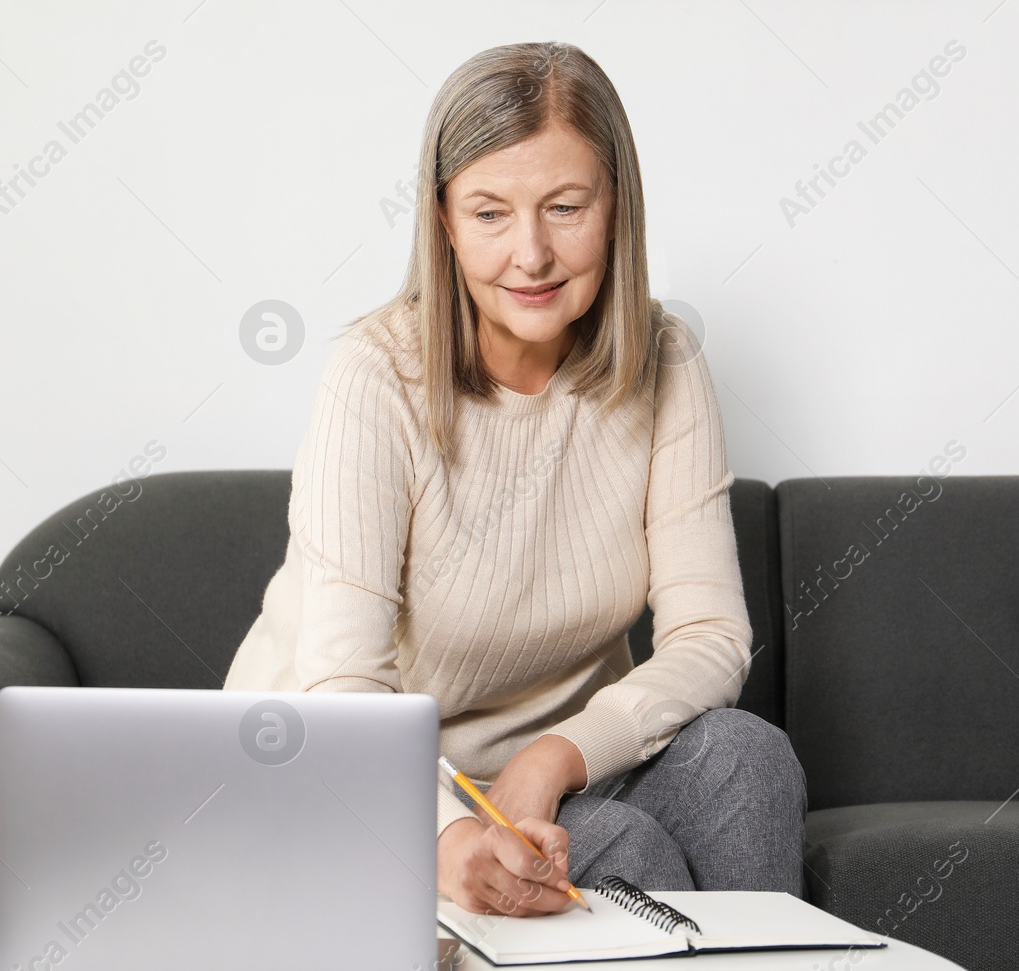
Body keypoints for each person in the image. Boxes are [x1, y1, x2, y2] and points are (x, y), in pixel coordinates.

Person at [224, 41, 806, 918]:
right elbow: (344, 690)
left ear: (618, 209)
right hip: (356, 779)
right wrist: (447, 841)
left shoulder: (668, 363)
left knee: (748, 758)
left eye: (566, 207)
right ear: (445, 221)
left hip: (553, 784)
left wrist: (552, 759)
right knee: (633, 849)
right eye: (491, 213)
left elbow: (711, 636)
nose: (530, 254)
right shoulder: (375, 377)